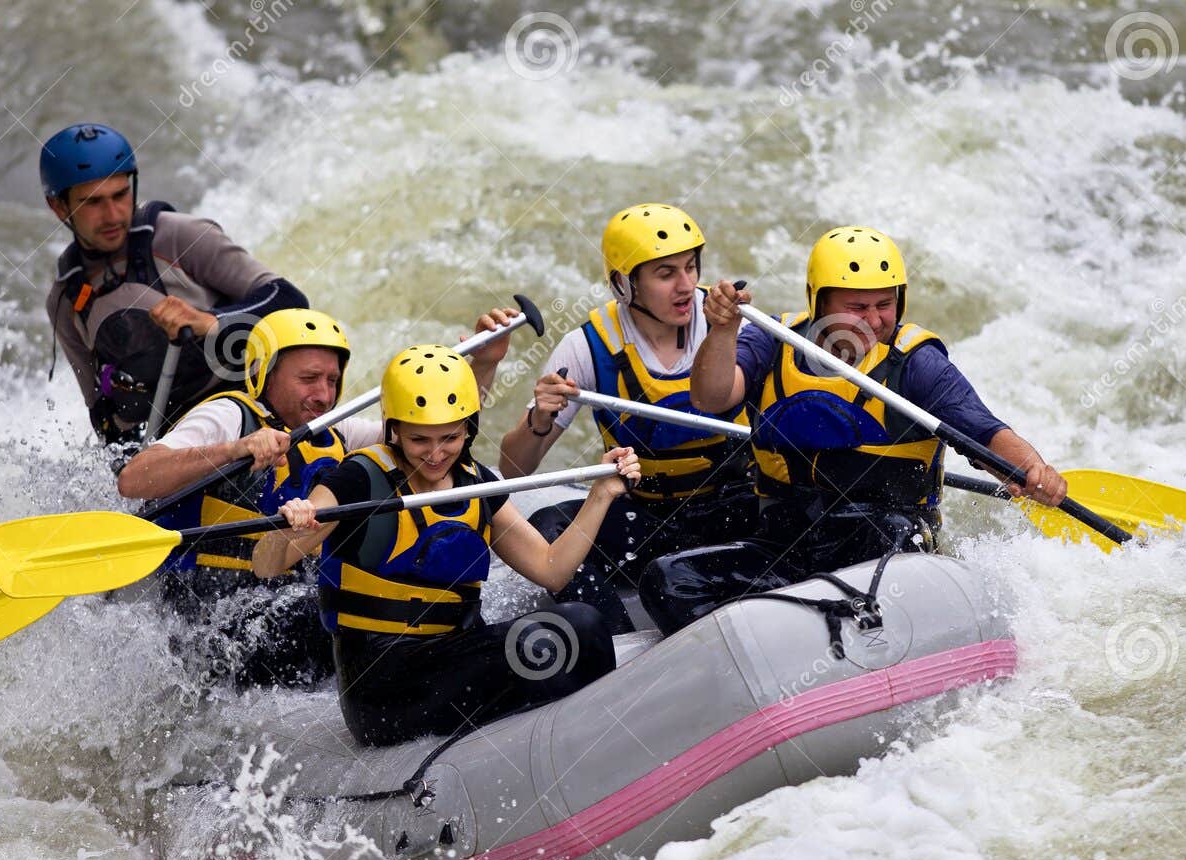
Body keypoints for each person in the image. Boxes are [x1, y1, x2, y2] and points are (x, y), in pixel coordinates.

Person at [639, 225, 1068, 634]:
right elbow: (710, 398)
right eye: (857, 307)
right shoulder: (773, 340)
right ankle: (771, 647)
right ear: (819, 302)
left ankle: (831, 631)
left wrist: (1032, 467)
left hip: (886, 549)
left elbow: (982, 430)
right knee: (668, 579)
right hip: (786, 545)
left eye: (884, 304)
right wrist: (723, 330)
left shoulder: (915, 362)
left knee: (888, 533)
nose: (874, 320)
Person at [254, 345, 640, 746]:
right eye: (420, 439)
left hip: (453, 655)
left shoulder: (477, 482)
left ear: (469, 428)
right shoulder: (359, 479)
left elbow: (551, 569)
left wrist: (602, 494)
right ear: (394, 429)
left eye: (450, 438)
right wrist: (293, 529)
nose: (436, 454)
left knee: (581, 625)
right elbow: (266, 564)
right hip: (384, 684)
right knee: (576, 627)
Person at [119, 306, 521, 687]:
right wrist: (235, 449)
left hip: (287, 596)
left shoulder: (335, 431)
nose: (324, 395)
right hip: (213, 611)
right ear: (264, 374)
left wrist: (483, 365)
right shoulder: (228, 416)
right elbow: (134, 479)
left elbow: (432, 435)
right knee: (336, 617)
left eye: (331, 380)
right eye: (309, 379)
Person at [498, 203, 754, 633]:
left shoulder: (731, 326)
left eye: (691, 267)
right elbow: (513, 469)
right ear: (623, 284)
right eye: (666, 273)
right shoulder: (586, 346)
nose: (686, 285)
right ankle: (616, 642)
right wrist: (540, 418)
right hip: (650, 520)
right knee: (546, 528)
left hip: (735, 512)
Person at [41, 123, 309, 445]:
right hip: (177, 448)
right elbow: (103, 416)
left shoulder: (181, 237)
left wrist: (211, 323)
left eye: (120, 194)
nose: (113, 215)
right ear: (59, 207)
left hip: (251, 416)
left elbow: (290, 300)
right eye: (93, 203)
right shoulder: (67, 299)